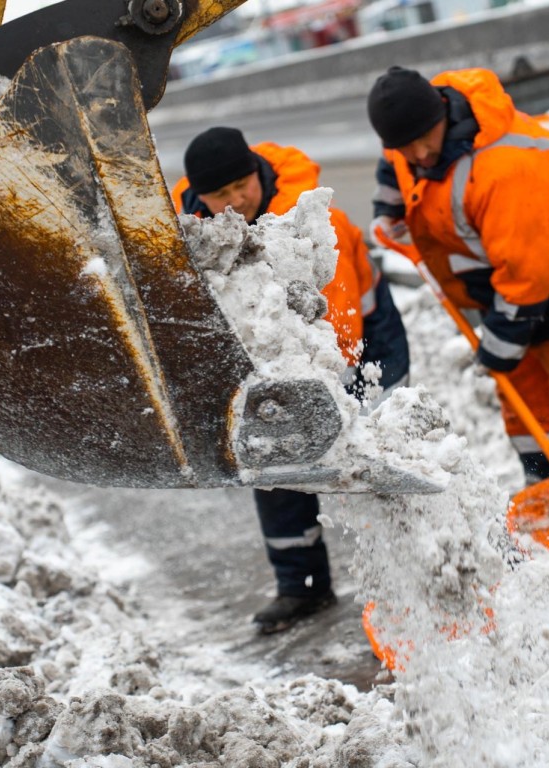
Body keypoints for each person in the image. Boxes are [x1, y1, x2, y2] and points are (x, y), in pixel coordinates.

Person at [366, 66, 549, 486]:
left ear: (442, 112)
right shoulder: (410, 139)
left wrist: (500, 344)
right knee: (524, 397)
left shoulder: (506, 165)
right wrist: (387, 209)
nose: (421, 154)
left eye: (425, 139)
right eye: (406, 147)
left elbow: (527, 274)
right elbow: (394, 168)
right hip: (502, 281)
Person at [172, 127, 410, 634]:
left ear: (257, 171)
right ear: (200, 195)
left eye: (242, 186)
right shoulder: (188, 238)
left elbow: (336, 324)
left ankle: (413, 575)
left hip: (365, 351)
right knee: (276, 466)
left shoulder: (313, 226)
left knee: (381, 466)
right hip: (276, 363)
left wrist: (334, 412)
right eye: (221, 195)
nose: (236, 201)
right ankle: (302, 587)